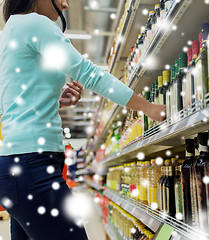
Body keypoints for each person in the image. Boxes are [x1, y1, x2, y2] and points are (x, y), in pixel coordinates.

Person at [0, 0, 166, 239]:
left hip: (13, 168)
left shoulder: (10, 31)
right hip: (33, 168)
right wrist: (148, 107)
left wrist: (53, 103)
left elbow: (9, 102)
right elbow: (88, 73)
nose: (65, 5)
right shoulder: (35, 23)